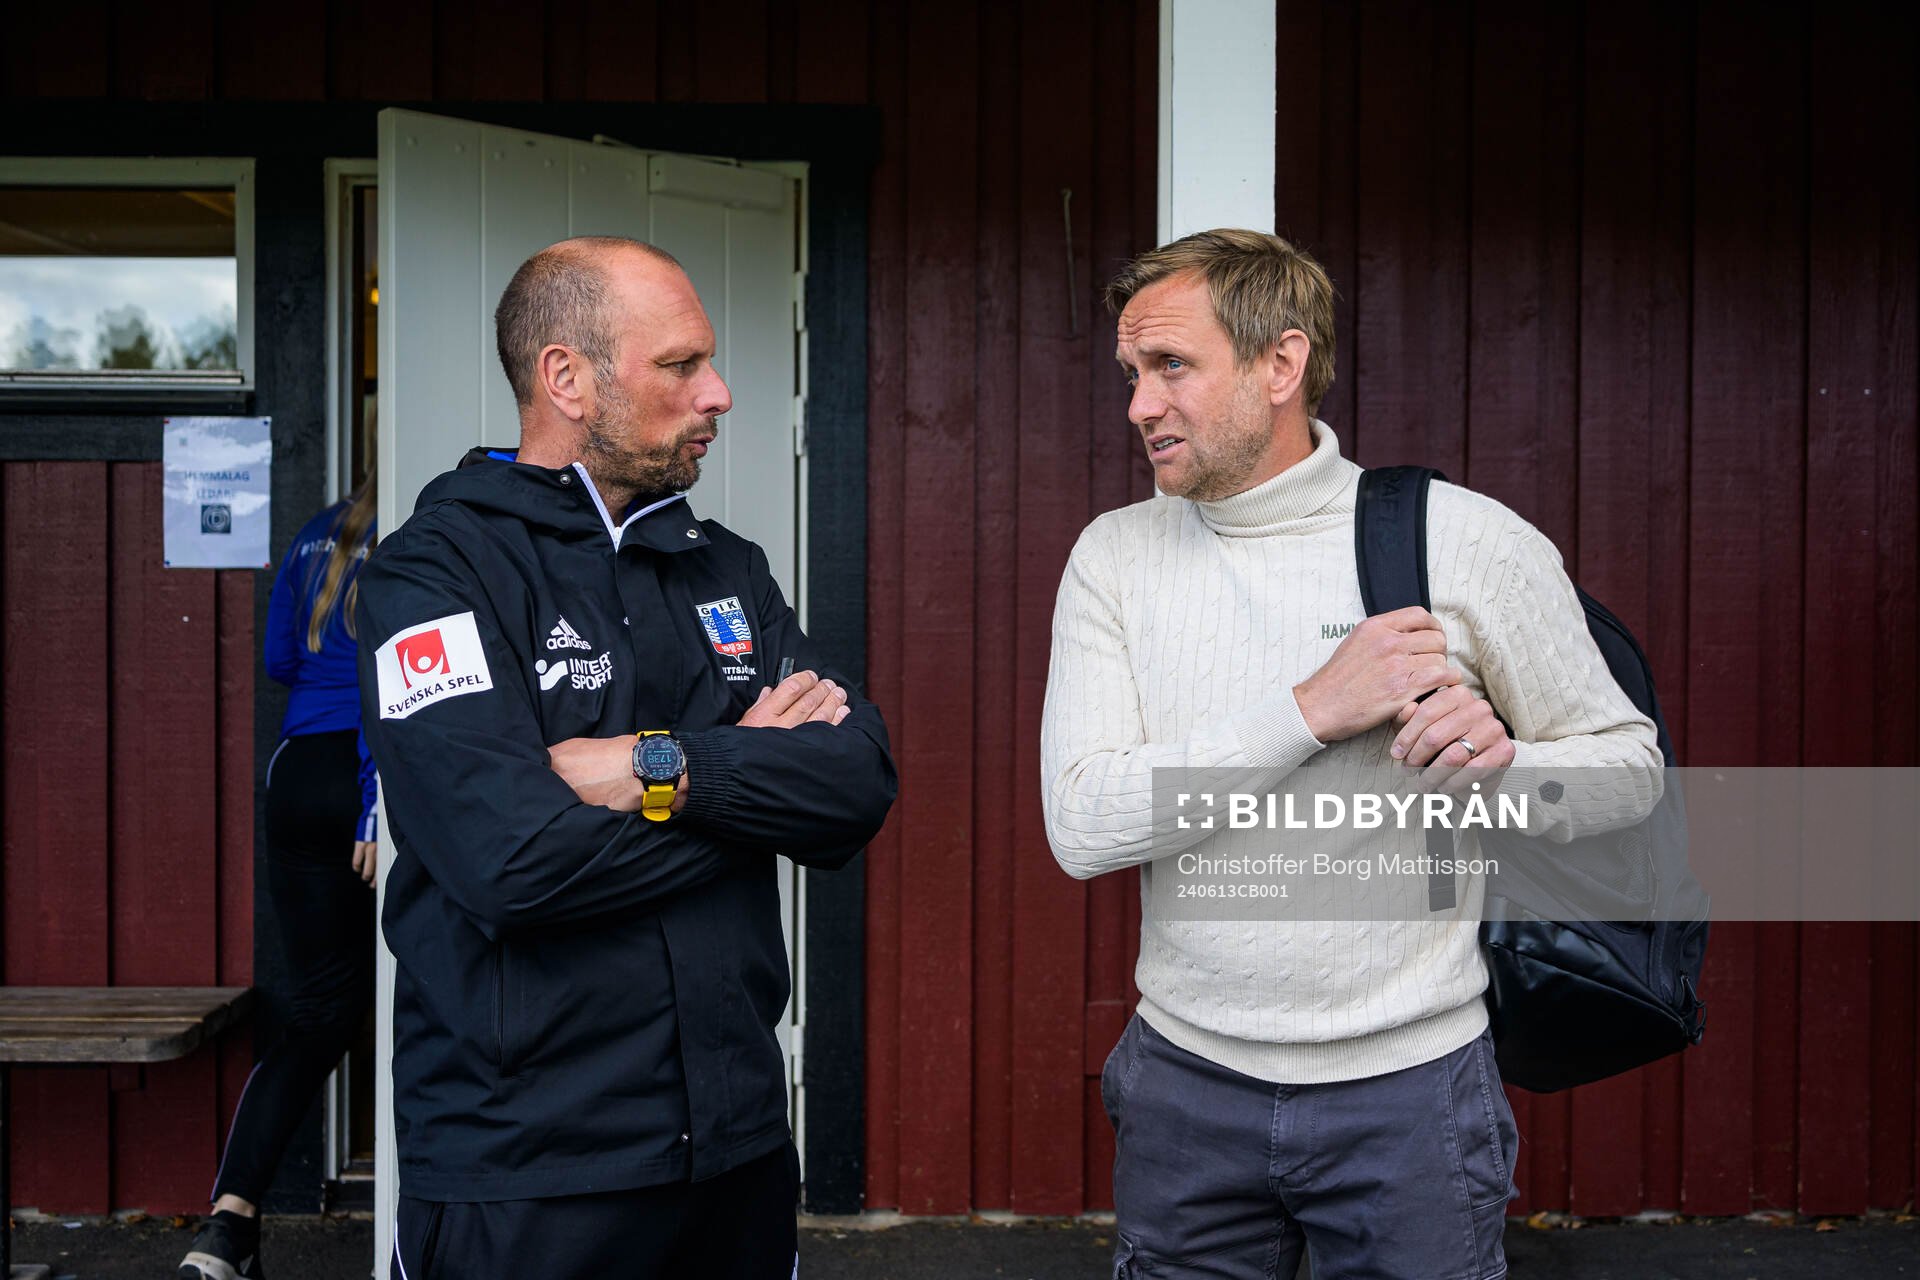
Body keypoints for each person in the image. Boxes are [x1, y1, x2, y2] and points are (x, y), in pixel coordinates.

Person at [1040, 229, 1663, 1279]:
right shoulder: (1117, 556)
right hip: (1187, 1089)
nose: (1141, 404)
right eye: (1133, 373)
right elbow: (1084, 822)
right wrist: (1311, 710)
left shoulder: (1458, 539)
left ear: (1280, 365)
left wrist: (1508, 773)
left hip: (1410, 1095)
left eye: (1171, 366)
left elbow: (1631, 772)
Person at [357, 236, 896, 1280]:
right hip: (524, 1171)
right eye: (681, 364)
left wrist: (662, 767)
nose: (721, 392)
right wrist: (747, 781)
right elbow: (506, 861)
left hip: (735, 1154)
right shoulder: (433, 572)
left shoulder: (724, 568)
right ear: (567, 377)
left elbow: (853, 784)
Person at [179, 467, 379, 1280]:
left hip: (296, 774)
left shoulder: (316, 533)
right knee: (424, 994)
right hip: (366, 775)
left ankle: (229, 1224)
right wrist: (377, 800)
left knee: (318, 1011)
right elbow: (392, 681)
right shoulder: (421, 539)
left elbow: (278, 662)